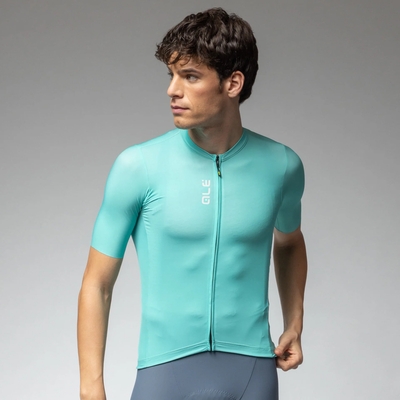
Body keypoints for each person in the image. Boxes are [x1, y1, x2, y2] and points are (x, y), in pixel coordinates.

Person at [78, 7, 307, 400]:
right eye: (171, 75)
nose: (172, 90)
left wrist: (295, 324)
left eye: (190, 76)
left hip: (252, 373)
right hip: (165, 371)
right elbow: (97, 285)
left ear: (233, 83)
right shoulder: (138, 166)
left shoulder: (281, 165)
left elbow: (289, 242)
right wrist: (90, 389)